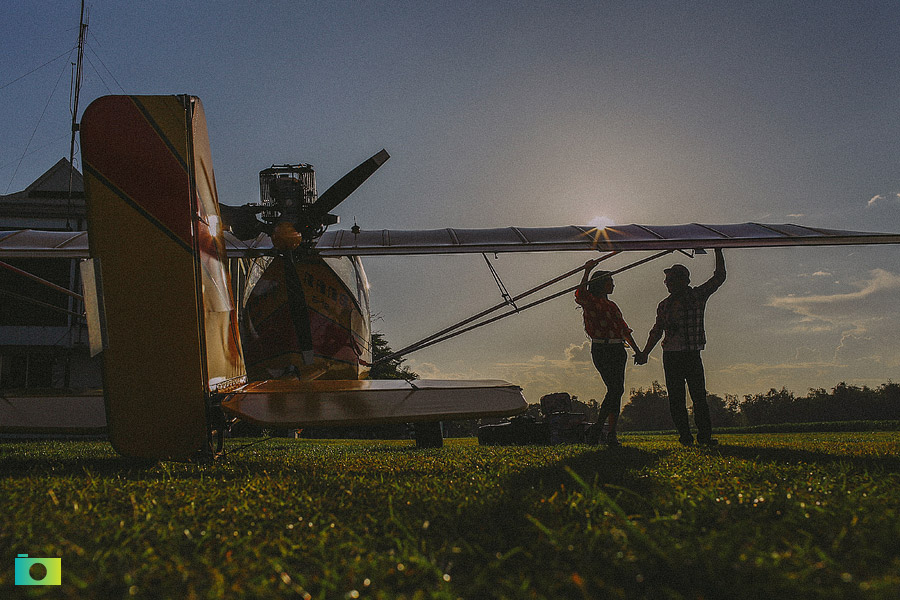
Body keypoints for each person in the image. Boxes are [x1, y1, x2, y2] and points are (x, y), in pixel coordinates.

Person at [635, 248, 726, 446]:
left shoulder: (696, 296)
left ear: (682, 280)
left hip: (690, 354)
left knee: (698, 397)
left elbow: (719, 276)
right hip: (672, 356)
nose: (666, 283)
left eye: (670, 280)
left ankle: (703, 437)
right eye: (667, 280)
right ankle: (686, 437)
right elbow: (657, 330)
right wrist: (644, 352)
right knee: (677, 399)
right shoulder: (664, 305)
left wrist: (718, 249)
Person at [575, 259, 641, 447]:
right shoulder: (591, 301)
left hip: (617, 349)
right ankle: (600, 429)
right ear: (601, 284)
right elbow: (580, 294)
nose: (613, 285)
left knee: (617, 390)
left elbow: (624, 330)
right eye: (609, 282)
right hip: (602, 349)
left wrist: (638, 351)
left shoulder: (612, 306)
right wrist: (587, 271)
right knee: (615, 389)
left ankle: (609, 432)